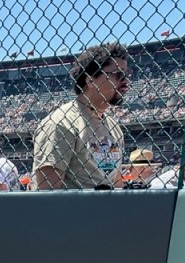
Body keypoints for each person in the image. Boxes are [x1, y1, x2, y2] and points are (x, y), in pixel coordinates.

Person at [32, 42, 129, 190]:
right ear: (91, 81)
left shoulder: (114, 128)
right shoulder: (61, 123)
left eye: (127, 75)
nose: (126, 81)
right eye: (118, 75)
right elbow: (47, 193)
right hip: (74, 206)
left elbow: (116, 183)